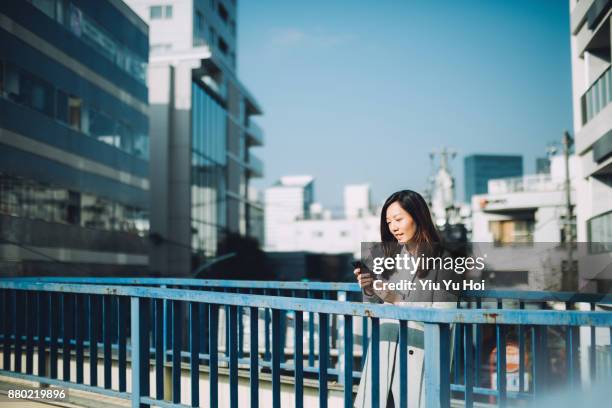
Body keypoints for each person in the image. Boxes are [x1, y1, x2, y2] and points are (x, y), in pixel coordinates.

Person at [353, 190, 459, 408]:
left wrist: (397, 300)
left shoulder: (444, 260)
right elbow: (374, 307)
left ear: (418, 217)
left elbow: (444, 318)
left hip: (419, 355)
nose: (393, 226)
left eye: (399, 219)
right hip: (384, 349)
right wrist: (370, 289)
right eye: (389, 221)